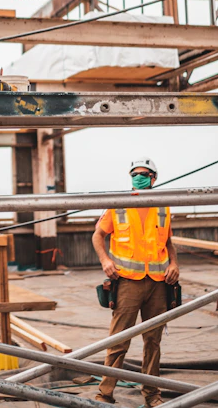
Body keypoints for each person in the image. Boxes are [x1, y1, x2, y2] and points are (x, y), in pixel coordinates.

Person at [91, 159, 179, 407]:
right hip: (128, 281)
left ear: (154, 178)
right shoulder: (119, 205)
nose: (138, 177)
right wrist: (105, 261)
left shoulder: (163, 207)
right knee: (118, 340)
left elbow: (168, 241)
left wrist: (174, 264)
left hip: (159, 283)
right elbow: (97, 235)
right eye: (134, 174)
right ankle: (104, 394)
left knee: (153, 341)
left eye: (144, 174)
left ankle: (153, 396)